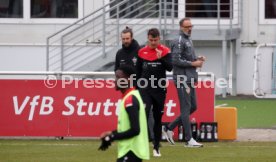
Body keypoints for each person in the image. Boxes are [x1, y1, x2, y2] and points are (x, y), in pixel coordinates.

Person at [162, 18, 205, 147]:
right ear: (181, 27)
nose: (190, 28)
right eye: (187, 26)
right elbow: (175, 60)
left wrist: (198, 59)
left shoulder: (188, 40)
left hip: (190, 78)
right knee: (186, 108)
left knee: (193, 107)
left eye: (191, 26)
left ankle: (169, 128)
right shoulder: (178, 41)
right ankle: (189, 139)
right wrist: (193, 63)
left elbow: (187, 58)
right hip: (182, 79)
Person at [99, 65, 150, 162]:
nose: (115, 80)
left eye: (119, 77)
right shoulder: (130, 96)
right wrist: (112, 133)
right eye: (115, 77)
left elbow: (135, 130)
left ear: (129, 79)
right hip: (131, 151)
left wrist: (112, 137)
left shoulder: (130, 99)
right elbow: (127, 128)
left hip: (131, 151)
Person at [136, 28, 172, 157]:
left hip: (159, 90)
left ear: (159, 38)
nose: (153, 43)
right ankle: (142, 143)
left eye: (155, 40)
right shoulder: (141, 52)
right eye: (151, 40)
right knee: (144, 113)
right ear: (147, 38)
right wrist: (136, 88)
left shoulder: (165, 51)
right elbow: (138, 72)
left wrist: (160, 58)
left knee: (157, 119)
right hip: (145, 88)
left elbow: (170, 67)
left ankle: (156, 147)